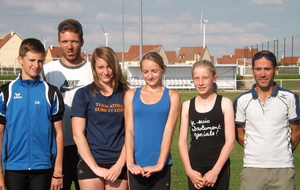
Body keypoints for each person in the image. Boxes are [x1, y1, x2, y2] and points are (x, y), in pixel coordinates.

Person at [0, 38, 64, 190]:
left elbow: (59, 133)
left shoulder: (51, 92)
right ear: (20, 60)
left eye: (40, 61)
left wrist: (58, 171)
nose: (36, 65)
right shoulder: (5, 92)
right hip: (14, 167)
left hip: (43, 167)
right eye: (32, 60)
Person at [234, 50, 300, 190]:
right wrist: (257, 150)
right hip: (253, 168)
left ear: (275, 70)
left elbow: (296, 131)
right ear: (252, 70)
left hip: (283, 169)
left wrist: (281, 151)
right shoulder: (242, 101)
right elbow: (239, 134)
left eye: (267, 69)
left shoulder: (289, 98)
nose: (262, 74)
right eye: (258, 69)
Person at [43, 18, 93, 190]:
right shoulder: (48, 70)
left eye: (74, 41)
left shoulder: (93, 70)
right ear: (58, 42)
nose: (69, 46)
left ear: (82, 42)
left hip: (86, 148)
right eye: (65, 41)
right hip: (56, 150)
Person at [71, 46, 129, 190]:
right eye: (101, 67)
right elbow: (78, 134)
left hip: (119, 162)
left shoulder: (127, 94)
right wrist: (95, 168)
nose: (106, 72)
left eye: (109, 66)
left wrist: (119, 165)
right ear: (94, 68)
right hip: (91, 161)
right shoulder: (83, 94)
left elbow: (131, 133)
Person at [124, 51, 181, 190]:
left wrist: (160, 163)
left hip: (161, 165)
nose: (150, 76)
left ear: (163, 69)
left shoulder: (172, 96)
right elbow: (129, 130)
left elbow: (168, 132)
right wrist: (130, 162)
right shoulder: (131, 94)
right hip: (136, 166)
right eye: (145, 72)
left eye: (154, 71)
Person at [178, 60, 235, 190]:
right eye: (196, 78)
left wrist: (215, 171)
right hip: (195, 171)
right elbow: (182, 141)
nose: (201, 83)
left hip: (219, 169)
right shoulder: (187, 106)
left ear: (214, 78)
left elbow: (230, 141)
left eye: (205, 78)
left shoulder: (224, 103)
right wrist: (189, 171)